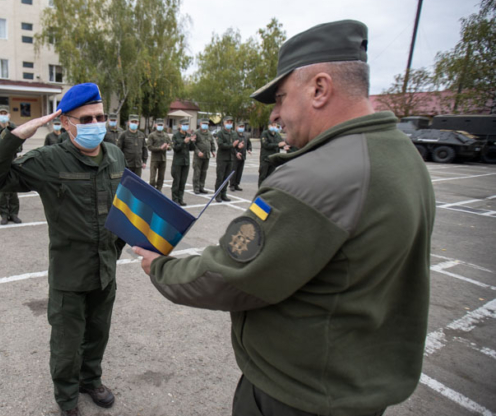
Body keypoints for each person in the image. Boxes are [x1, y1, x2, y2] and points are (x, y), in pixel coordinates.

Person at [132, 20, 435, 416]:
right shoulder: (400, 153)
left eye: (280, 97)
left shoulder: (316, 176)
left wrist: (161, 269)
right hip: (350, 383)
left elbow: (231, 273)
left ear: (319, 88)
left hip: (298, 394)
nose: (274, 115)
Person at [0, 83, 126, 416]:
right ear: (65, 124)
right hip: (69, 273)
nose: (96, 125)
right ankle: (67, 398)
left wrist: (131, 243)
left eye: (100, 117)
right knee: (67, 344)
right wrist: (17, 135)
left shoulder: (114, 154)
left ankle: (91, 380)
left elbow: (124, 205)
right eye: (86, 119)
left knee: (98, 333)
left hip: (106, 267)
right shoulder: (49, 159)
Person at [0, 105, 22, 224]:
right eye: (0, 113)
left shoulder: (13, 127)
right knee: (1, 192)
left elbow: (19, 146)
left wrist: (7, 148)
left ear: (9, 115)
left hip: (12, 162)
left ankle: (14, 213)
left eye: (5, 113)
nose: (3, 115)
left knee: (13, 190)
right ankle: (4, 215)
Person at [170, 118, 194, 206]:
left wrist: (192, 141)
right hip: (178, 162)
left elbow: (191, 148)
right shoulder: (175, 136)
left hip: (186, 162)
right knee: (177, 181)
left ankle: (180, 198)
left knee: (183, 182)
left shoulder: (188, 135)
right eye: (184, 125)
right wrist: (184, 142)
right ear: (180, 126)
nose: (185, 127)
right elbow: (175, 148)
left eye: (187, 125)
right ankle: (175, 199)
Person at [214, 116, 238, 202]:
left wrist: (237, 150)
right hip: (222, 158)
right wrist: (232, 145)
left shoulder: (233, 133)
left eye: (231, 122)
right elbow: (221, 145)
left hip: (230, 158)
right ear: (224, 123)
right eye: (227, 122)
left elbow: (234, 146)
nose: (229, 124)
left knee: (226, 178)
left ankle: (224, 194)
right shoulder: (220, 133)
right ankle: (217, 195)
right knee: (220, 177)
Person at [258, 121, 288, 186]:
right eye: (272, 125)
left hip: (274, 159)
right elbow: (266, 145)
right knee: (263, 176)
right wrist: (278, 145)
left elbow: (281, 143)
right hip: (265, 158)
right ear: (269, 126)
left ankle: (267, 191)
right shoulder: (265, 134)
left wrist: (284, 147)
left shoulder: (277, 135)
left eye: (275, 125)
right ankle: (260, 190)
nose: (274, 126)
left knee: (270, 177)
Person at [147, 118, 171, 191]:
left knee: (161, 177)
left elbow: (171, 145)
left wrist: (168, 147)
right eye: (159, 125)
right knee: (152, 178)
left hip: (163, 158)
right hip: (155, 158)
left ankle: (159, 190)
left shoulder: (166, 135)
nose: (160, 126)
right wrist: (160, 148)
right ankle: (152, 191)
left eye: (161, 125)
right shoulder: (152, 135)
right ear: (155, 125)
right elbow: (149, 147)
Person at [191, 118, 214, 194]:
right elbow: (193, 145)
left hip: (206, 156)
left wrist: (213, 151)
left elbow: (212, 143)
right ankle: (196, 188)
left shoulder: (209, 133)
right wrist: (198, 152)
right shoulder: (196, 133)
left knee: (204, 172)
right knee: (197, 173)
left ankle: (201, 187)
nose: (205, 125)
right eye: (204, 124)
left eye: (207, 124)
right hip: (198, 157)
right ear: (200, 124)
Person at [230, 121, 251, 192]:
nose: (241, 128)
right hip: (235, 156)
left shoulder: (245, 135)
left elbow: (249, 143)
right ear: (236, 127)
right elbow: (232, 146)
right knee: (234, 171)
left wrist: (249, 149)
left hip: (242, 156)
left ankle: (236, 184)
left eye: (242, 127)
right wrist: (236, 152)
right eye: (240, 127)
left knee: (240, 171)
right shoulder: (234, 135)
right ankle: (232, 185)